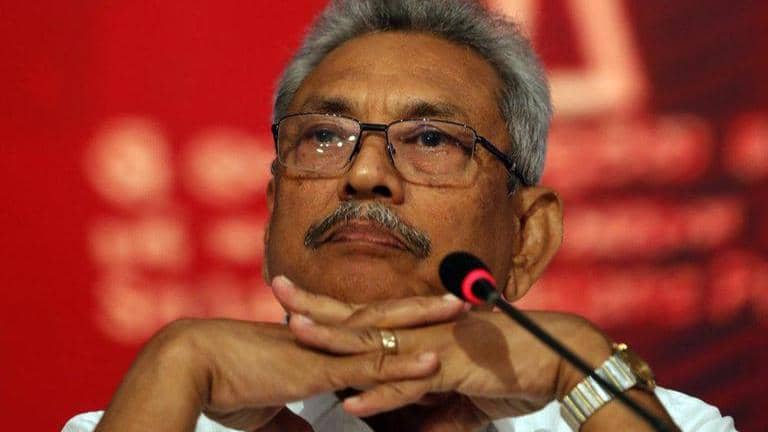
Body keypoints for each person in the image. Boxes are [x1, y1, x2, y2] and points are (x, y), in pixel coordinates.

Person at [64, 0, 737, 431]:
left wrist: (585, 368)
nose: (364, 173)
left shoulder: (651, 421)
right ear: (272, 215)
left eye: (432, 140)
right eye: (323, 136)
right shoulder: (160, 413)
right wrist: (176, 358)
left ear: (528, 239)